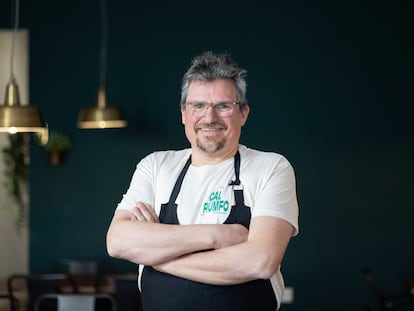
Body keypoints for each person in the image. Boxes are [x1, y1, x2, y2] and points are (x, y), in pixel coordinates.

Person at [106, 51, 299, 311]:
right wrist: (218, 236)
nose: (209, 118)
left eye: (223, 106)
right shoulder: (156, 166)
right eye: (198, 106)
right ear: (184, 113)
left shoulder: (271, 167)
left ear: (243, 113)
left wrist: (156, 257)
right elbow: (117, 241)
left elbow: (260, 261)